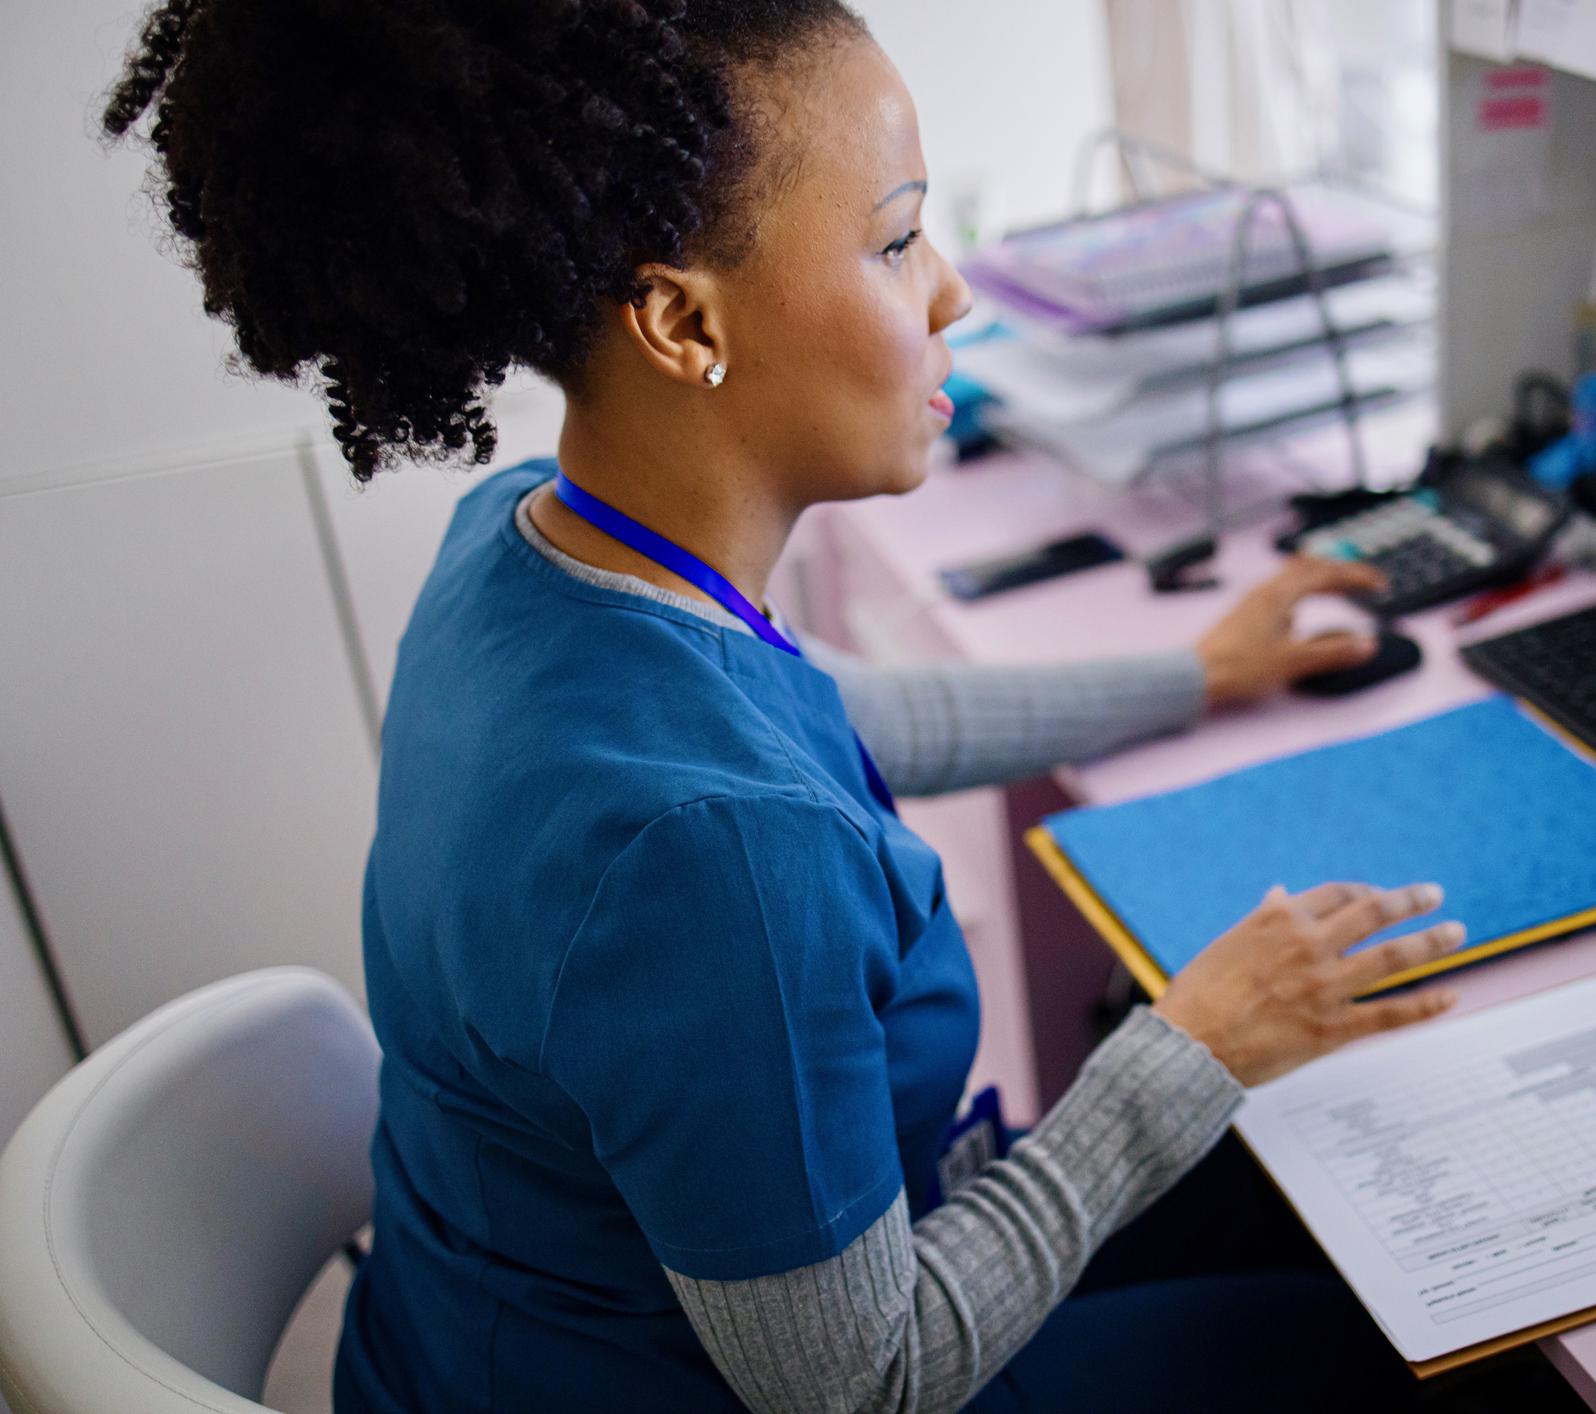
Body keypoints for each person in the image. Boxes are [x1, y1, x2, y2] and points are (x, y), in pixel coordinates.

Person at [104, 3, 1466, 1408]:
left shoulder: (523, 545)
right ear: (684, 320)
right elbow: (866, 1380)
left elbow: (824, 713)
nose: (952, 294)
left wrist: (1197, 675)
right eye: (895, 241)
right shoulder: (713, 855)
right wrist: (1190, 1043)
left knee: (1302, 1191)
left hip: (473, 1344)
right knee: (1401, 1335)